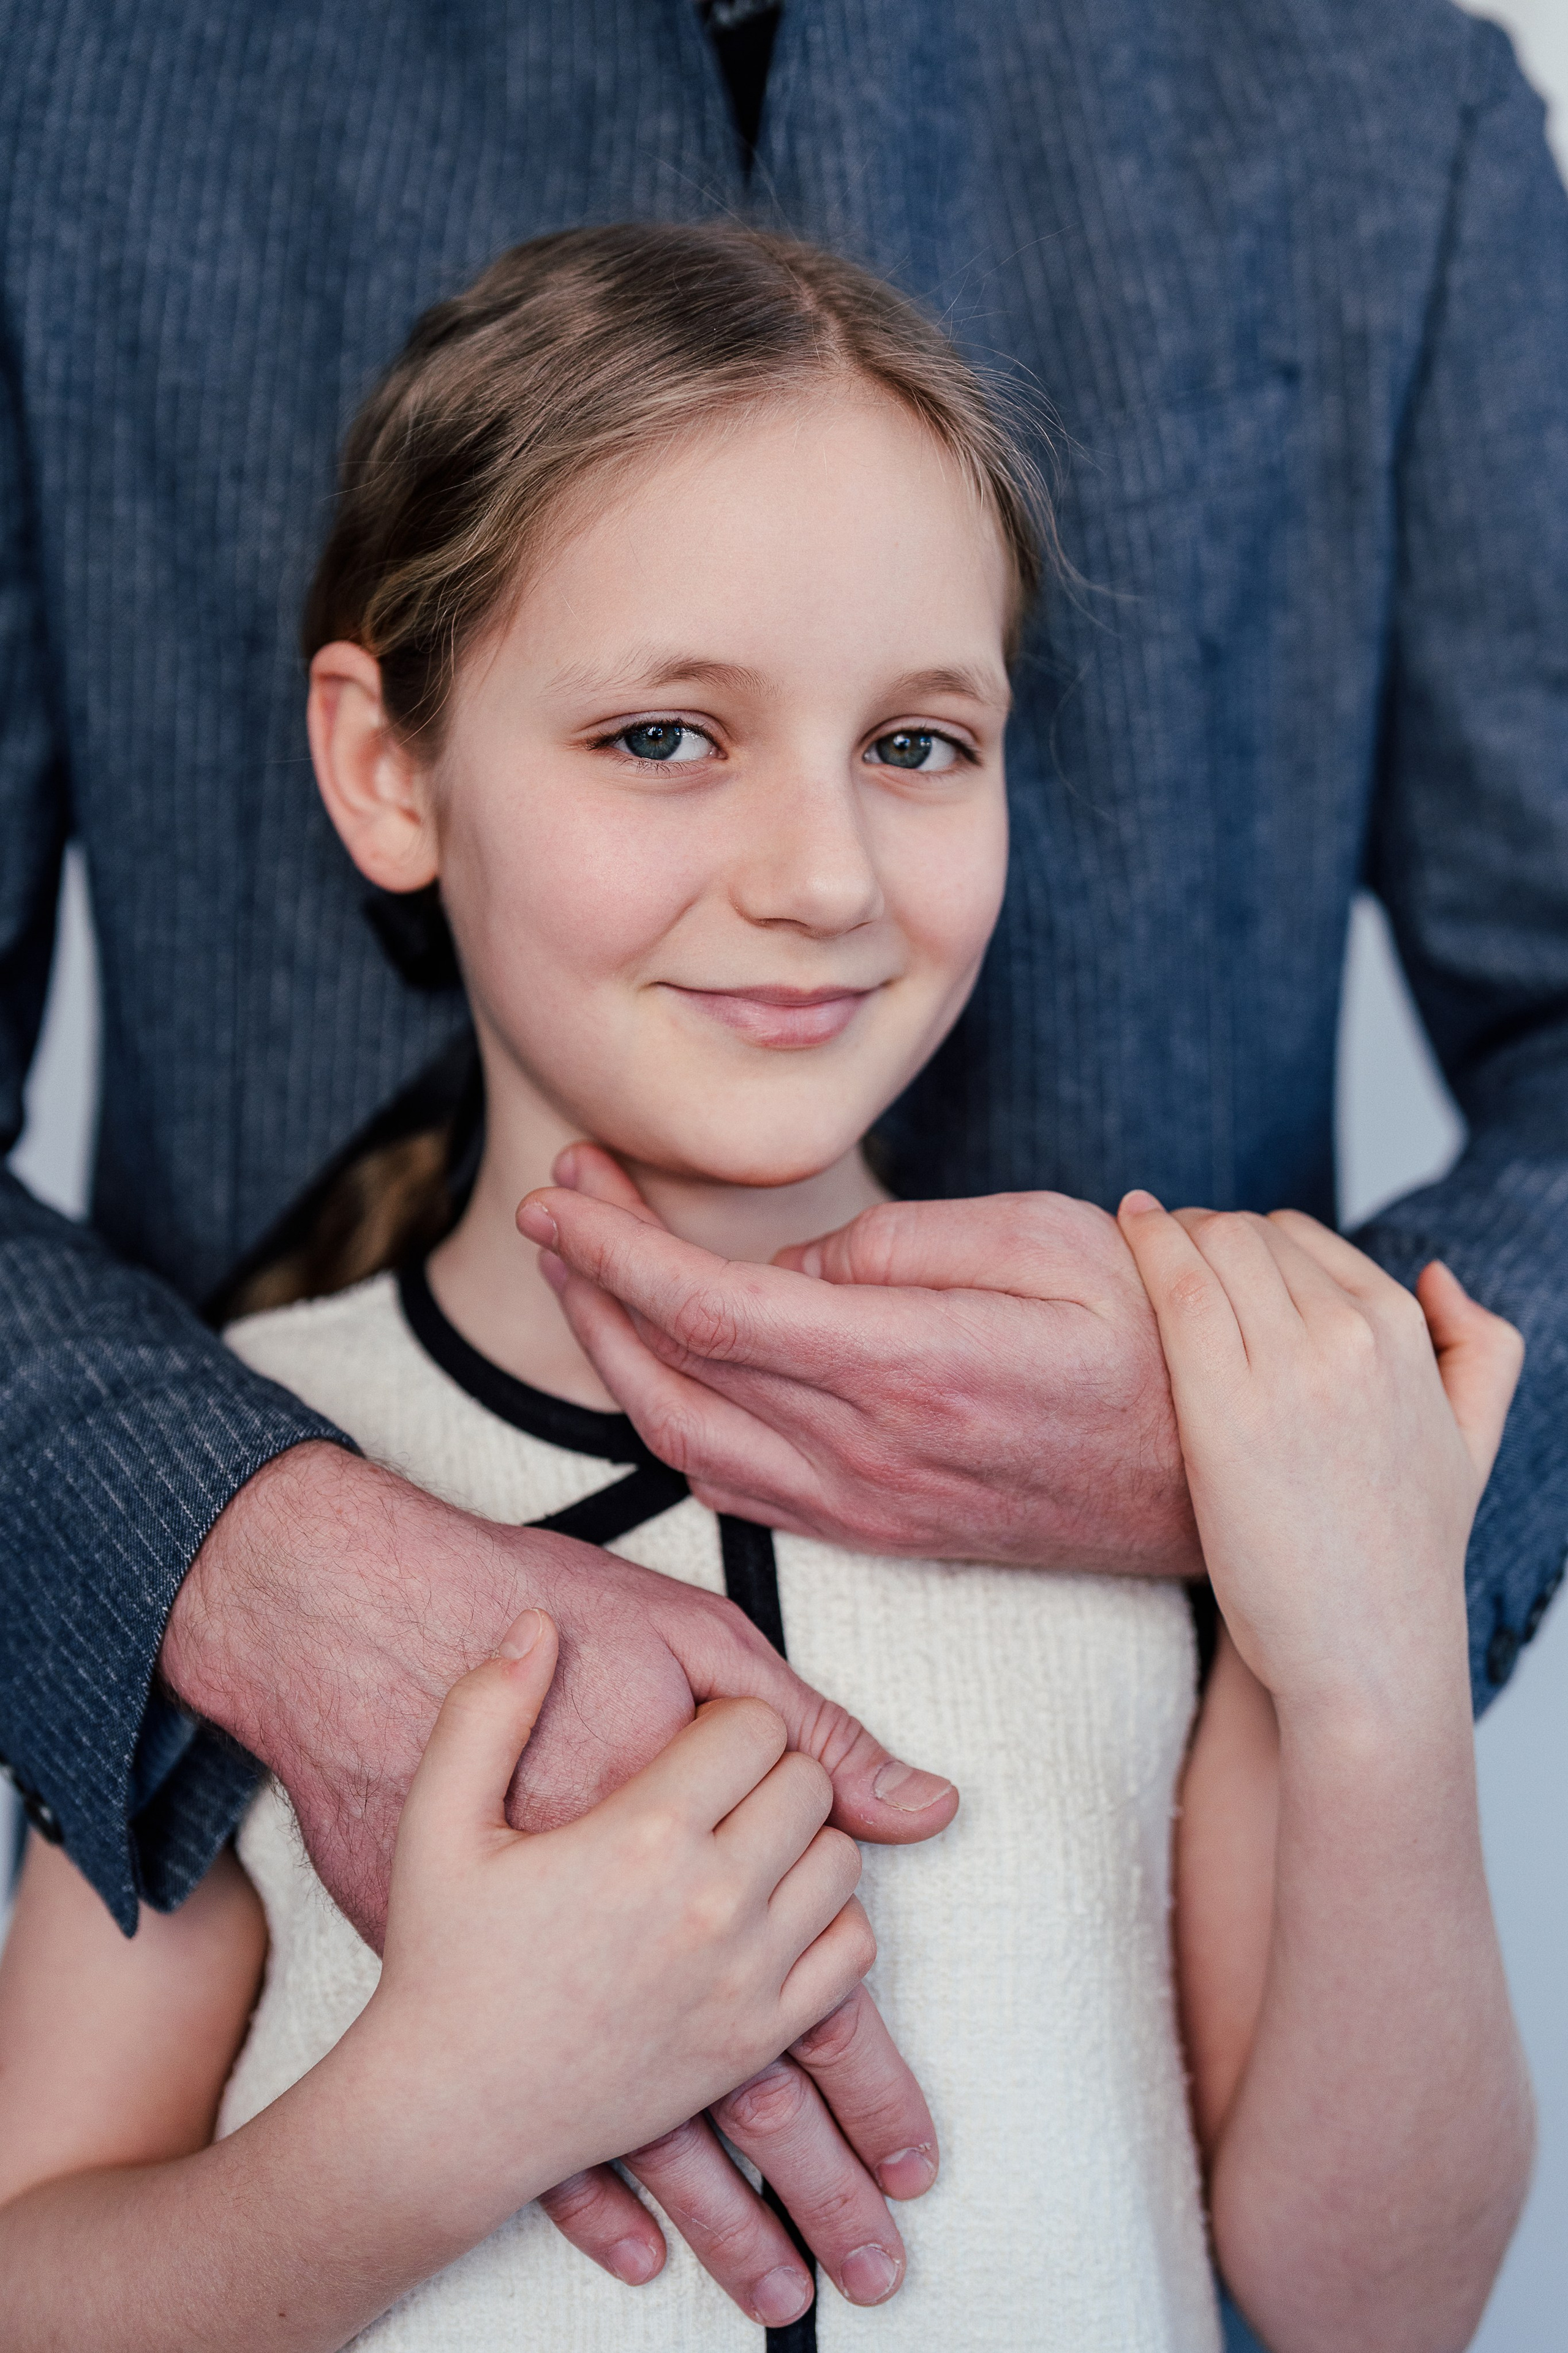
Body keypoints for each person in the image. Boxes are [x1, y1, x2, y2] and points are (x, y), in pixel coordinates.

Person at [2, 0, 1566, 2322]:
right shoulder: (229, 1534)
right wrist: (437, 2112)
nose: (821, 875)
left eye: (921, 742)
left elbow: (1381, 2300)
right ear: (389, 767)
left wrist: (1359, 1599)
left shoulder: (1236, 1553)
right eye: (665, 734)